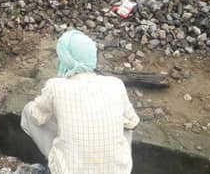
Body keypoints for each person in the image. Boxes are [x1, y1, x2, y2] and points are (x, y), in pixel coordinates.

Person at [21, 30, 139, 174]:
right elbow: (133, 122)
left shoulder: (56, 86)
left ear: (66, 58)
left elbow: (36, 116)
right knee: (127, 124)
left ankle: (58, 161)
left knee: (29, 111)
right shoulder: (116, 84)